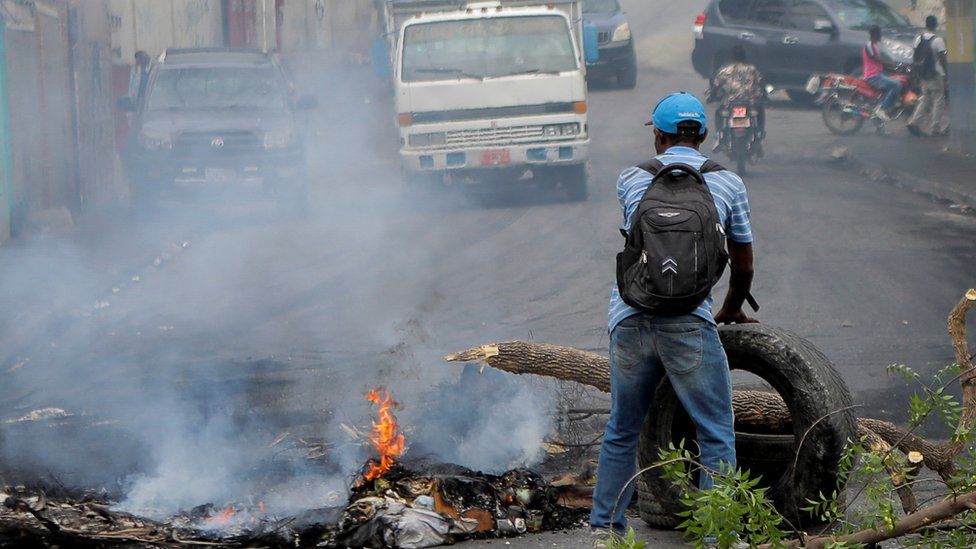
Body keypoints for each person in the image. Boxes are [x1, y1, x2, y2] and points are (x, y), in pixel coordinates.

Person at [589, 92, 756, 538]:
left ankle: (606, 529)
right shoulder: (728, 184)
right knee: (716, 431)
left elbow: (637, 245)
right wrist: (732, 306)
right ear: (702, 134)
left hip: (629, 317)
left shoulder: (630, 179)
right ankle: (716, 532)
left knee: (623, 428)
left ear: (659, 135)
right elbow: (743, 261)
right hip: (688, 320)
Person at [710, 45, 766, 146]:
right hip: (750, 101)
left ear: (733, 57)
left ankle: (719, 137)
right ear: (745, 57)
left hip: (731, 102)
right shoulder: (752, 69)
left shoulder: (726, 70)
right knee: (760, 111)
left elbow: (716, 85)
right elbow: (761, 83)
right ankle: (760, 133)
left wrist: (712, 96)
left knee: (718, 112)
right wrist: (764, 95)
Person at [907, 15, 948, 136]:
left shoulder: (919, 39)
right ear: (935, 25)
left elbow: (915, 58)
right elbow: (942, 59)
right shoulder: (938, 40)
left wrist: (916, 73)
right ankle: (935, 126)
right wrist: (947, 74)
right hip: (936, 74)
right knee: (938, 99)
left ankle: (914, 121)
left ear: (926, 25)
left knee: (924, 98)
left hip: (923, 74)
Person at [863, 25, 902, 122]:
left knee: (895, 82)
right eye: (880, 34)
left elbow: (879, 62)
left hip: (878, 74)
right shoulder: (870, 45)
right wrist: (893, 64)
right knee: (897, 85)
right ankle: (882, 109)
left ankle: (882, 110)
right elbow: (876, 59)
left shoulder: (874, 45)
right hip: (873, 76)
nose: (881, 36)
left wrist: (895, 67)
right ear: (875, 34)